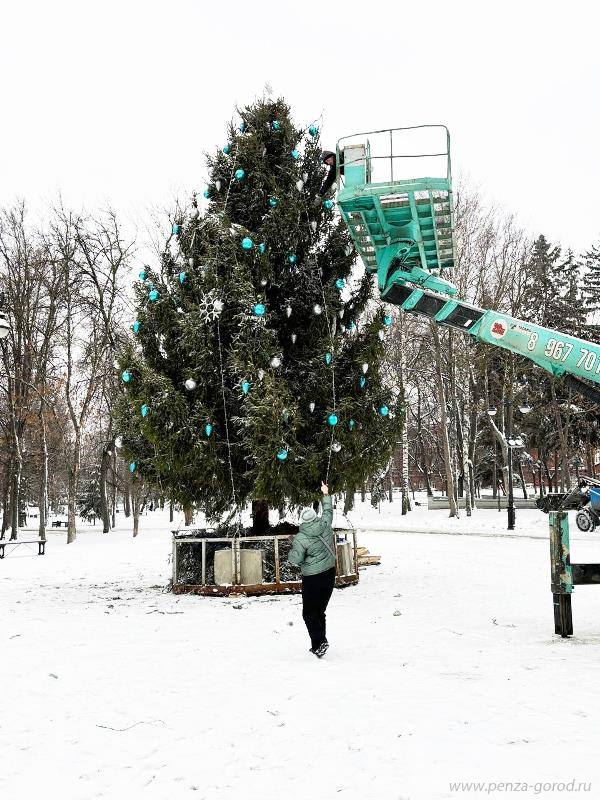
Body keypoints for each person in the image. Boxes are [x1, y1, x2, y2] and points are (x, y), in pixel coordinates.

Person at [288, 482, 336, 658]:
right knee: (320, 611)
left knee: (309, 612)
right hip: (330, 572)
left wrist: (292, 548)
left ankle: (320, 641)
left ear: (302, 520)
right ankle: (317, 644)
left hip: (312, 578)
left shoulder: (301, 538)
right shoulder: (325, 524)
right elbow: (328, 511)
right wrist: (325, 493)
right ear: (315, 516)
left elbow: (295, 560)